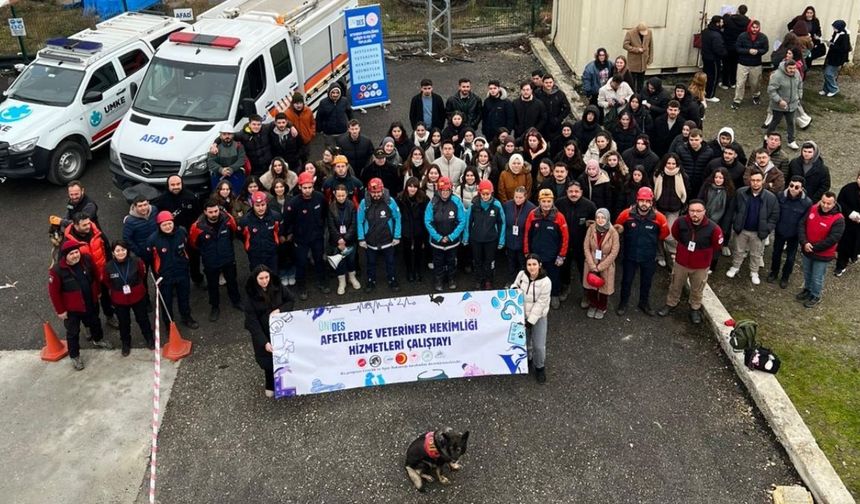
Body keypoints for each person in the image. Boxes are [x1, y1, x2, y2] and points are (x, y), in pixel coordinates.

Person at [48, 242, 113, 370]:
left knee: (95, 322)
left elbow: (95, 276)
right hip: (72, 309)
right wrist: (60, 311)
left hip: (90, 301)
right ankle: (75, 356)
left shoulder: (87, 259)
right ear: (65, 256)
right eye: (71, 254)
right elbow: (53, 293)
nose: (75, 255)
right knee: (73, 332)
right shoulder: (56, 271)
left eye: (76, 252)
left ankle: (98, 339)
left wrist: (98, 292)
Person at [613, 187, 669, 316]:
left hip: (649, 256)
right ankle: (623, 302)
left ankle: (644, 303)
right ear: (637, 200)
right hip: (629, 254)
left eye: (648, 201)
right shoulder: (626, 214)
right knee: (626, 280)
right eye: (641, 200)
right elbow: (617, 227)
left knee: (646, 281)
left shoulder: (660, 218)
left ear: (652, 202)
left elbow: (664, 234)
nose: (644, 204)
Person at [243, 265, 295, 398]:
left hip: (281, 331)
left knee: (285, 356)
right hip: (263, 333)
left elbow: (291, 300)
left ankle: (287, 381)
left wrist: (280, 310)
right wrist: (264, 342)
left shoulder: (278, 287)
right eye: (261, 278)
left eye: (266, 277)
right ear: (255, 279)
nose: (264, 281)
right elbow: (252, 322)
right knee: (267, 361)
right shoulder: (250, 295)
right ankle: (270, 383)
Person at [189, 201, 241, 322]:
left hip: (227, 258)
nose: (214, 214)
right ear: (205, 212)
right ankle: (215, 306)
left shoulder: (228, 220)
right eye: (211, 212)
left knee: (232, 281)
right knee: (212, 285)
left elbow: (233, 233)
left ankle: (236, 301)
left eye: (216, 211)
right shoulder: (197, 226)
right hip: (210, 261)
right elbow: (194, 243)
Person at [61, 213, 116, 328]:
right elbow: (64, 262)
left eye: (89, 223)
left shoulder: (97, 232)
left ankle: (110, 317)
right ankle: (90, 327)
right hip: (86, 279)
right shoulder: (68, 241)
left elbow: (106, 249)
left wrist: (110, 267)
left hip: (101, 273)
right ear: (75, 225)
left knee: (107, 298)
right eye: (84, 225)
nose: (88, 226)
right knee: (89, 305)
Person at [726, 169, 779, 285]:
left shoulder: (770, 197)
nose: (755, 183)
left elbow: (774, 216)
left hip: (759, 232)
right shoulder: (741, 192)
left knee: (756, 253)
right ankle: (735, 266)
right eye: (753, 180)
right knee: (738, 250)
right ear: (749, 181)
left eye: (758, 180)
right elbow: (733, 209)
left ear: (763, 181)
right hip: (742, 230)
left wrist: (767, 229)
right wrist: (736, 222)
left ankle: (754, 272)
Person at [147, 211, 199, 329]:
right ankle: (169, 323)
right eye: (164, 225)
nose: (168, 227)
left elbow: (187, 247)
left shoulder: (181, 232)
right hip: (165, 276)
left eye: (169, 223)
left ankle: (187, 317)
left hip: (182, 272)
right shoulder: (153, 240)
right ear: (159, 226)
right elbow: (150, 258)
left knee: (184, 297)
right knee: (166, 302)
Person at [283, 171, 329, 300]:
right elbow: (287, 221)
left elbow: (325, 214)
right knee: (301, 263)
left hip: (317, 237)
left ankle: (322, 282)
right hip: (300, 239)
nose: (307, 190)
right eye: (305, 188)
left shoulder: (320, 198)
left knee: (319, 261)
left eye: (310, 187)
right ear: (299, 187)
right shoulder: (294, 203)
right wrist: (288, 234)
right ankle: (301, 287)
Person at [103, 240, 153, 356]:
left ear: (127, 250)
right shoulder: (108, 267)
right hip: (119, 300)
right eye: (117, 250)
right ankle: (126, 343)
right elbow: (107, 282)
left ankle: (149, 338)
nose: (121, 253)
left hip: (138, 296)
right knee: (123, 322)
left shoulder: (137, 262)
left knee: (143, 319)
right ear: (113, 252)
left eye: (123, 250)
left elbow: (141, 275)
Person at [153, 175, 203, 286]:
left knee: (194, 258)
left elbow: (198, 217)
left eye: (178, 184)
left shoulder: (191, 197)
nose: (175, 187)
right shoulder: (161, 201)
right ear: (168, 185)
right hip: (171, 237)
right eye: (172, 185)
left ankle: (197, 278)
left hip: (190, 235)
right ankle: (176, 283)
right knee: (174, 261)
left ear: (182, 184)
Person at [523, 189, 569, 309]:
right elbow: (527, 234)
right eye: (544, 201)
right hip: (536, 255)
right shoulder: (532, 215)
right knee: (535, 276)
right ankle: (537, 297)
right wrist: (527, 251)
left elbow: (565, 237)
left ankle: (554, 295)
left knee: (554, 277)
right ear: (539, 201)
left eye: (549, 201)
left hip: (553, 255)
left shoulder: (559, 217)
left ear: (553, 201)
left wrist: (561, 255)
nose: (546, 204)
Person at [797, 192, 844, 307]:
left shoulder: (839, 219)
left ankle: (815, 295)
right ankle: (807, 289)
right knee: (807, 272)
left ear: (834, 204)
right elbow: (802, 225)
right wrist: (804, 242)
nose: (825, 205)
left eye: (829, 203)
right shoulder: (812, 209)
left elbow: (833, 239)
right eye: (823, 202)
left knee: (817, 276)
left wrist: (812, 247)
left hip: (822, 254)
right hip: (807, 249)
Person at [511, 254, 551, 384]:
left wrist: (530, 321)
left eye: (534, 264)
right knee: (524, 342)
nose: (531, 267)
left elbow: (541, 304)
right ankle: (527, 360)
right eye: (529, 264)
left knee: (539, 346)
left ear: (539, 265)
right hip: (521, 315)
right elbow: (514, 285)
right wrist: (514, 289)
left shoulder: (546, 282)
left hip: (538, 317)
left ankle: (540, 368)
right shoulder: (522, 275)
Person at [357, 177, 402, 293]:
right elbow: (360, 221)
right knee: (370, 262)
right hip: (370, 240)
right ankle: (371, 280)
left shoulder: (390, 201)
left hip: (388, 239)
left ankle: (392, 279)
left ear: (382, 190)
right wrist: (361, 238)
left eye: (378, 192)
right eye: (373, 192)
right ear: (369, 191)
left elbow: (397, 218)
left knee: (390, 261)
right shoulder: (364, 203)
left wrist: (397, 236)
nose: (376, 195)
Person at [769, 176, 813, 288]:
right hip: (780, 230)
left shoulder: (807, 203)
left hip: (794, 234)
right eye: (791, 185)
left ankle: (785, 277)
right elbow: (775, 212)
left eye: (797, 187)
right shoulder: (780, 196)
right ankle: (774, 272)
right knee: (776, 254)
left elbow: (805, 221)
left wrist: (799, 234)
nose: (793, 188)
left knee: (790, 258)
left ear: (801, 189)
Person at [425, 176, 466, 291]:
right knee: (438, 262)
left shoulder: (456, 201)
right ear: (439, 190)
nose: (445, 193)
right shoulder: (433, 202)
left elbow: (462, 220)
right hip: (437, 241)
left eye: (447, 190)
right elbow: (428, 221)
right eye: (443, 190)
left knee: (451, 261)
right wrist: (438, 237)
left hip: (452, 241)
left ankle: (452, 279)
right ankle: (439, 280)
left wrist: (451, 236)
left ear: (451, 190)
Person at [464, 179, 505, 289]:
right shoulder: (474, 204)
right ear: (479, 193)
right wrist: (466, 237)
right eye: (483, 194)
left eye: (488, 194)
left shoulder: (497, 205)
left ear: (492, 193)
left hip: (491, 239)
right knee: (477, 261)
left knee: (490, 261)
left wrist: (501, 240)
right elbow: (468, 221)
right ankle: (479, 279)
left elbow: (502, 223)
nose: (485, 196)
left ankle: (488, 280)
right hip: (476, 238)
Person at [582, 208, 620, 319]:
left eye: (603, 217)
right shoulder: (591, 228)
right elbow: (586, 246)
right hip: (591, 261)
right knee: (591, 286)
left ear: (607, 218)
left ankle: (602, 307)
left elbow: (614, 252)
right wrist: (592, 264)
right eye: (598, 217)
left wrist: (601, 266)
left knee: (604, 289)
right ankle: (593, 304)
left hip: (606, 264)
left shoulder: (613, 232)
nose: (600, 220)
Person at [326, 184, 361, 295]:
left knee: (351, 259)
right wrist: (339, 240)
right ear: (335, 195)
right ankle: (342, 282)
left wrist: (345, 239)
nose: (341, 198)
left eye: (343, 195)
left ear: (346, 195)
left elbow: (354, 224)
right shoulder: (331, 207)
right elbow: (331, 226)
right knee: (340, 261)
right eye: (338, 195)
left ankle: (352, 277)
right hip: (336, 241)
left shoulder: (351, 206)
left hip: (349, 239)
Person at [698, 167, 736, 268]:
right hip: (704, 219)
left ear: (725, 179)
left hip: (719, 222)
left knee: (715, 246)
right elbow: (699, 201)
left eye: (721, 178)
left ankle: (712, 265)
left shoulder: (730, 191)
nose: (718, 180)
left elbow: (729, 211)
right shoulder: (706, 187)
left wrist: (724, 228)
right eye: (716, 177)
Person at [238, 191, 282, 273]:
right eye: (257, 205)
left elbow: (279, 231)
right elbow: (241, 236)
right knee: (257, 277)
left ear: (266, 204)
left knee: (273, 276)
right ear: (252, 205)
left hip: (271, 253)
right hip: (255, 255)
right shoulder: (245, 221)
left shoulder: (276, 217)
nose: (261, 208)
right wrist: (249, 248)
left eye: (263, 205)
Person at [731, 19, 769, 109]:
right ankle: (737, 100)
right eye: (753, 27)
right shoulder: (742, 36)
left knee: (755, 83)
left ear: (759, 28)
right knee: (740, 83)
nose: (755, 29)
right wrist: (748, 51)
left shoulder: (763, 37)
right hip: (743, 63)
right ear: (750, 27)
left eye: (757, 27)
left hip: (756, 64)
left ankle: (756, 96)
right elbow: (737, 48)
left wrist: (758, 51)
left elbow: (765, 48)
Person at [398, 177, 430, 282]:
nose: (412, 189)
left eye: (415, 187)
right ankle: (409, 270)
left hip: (419, 228)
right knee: (406, 251)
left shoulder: (424, 198)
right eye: (410, 186)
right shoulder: (400, 198)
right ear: (406, 187)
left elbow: (427, 214)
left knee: (418, 251)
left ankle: (417, 270)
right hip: (405, 227)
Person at [766, 60, 802, 150]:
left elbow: (800, 85)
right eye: (790, 68)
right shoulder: (777, 75)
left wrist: (799, 96)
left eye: (794, 68)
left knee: (791, 122)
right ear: (785, 67)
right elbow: (771, 90)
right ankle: (768, 135)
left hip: (792, 105)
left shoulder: (797, 74)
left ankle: (791, 141)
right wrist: (779, 101)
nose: (792, 70)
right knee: (776, 121)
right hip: (779, 106)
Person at [503, 186, 536, 280]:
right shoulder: (507, 205)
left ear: (525, 197)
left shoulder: (531, 208)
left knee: (522, 263)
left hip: (523, 241)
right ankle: (511, 280)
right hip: (510, 239)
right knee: (511, 262)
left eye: (520, 197)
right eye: (516, 197)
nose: (517, 199)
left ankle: (523, 281)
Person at [672, 128, 715, 197]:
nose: (693, 142)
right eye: (691, 140)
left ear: (701, 139)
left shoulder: (709, 152)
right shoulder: (681, 149)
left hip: (700, 184)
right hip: (684, 182)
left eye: (696, 140)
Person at [835, 171, 860, 277]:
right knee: (844, 245)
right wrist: (850, 213)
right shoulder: (848, 189)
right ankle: (840, 266)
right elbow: (840, 202)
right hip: (848, 224)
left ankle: (855, 255)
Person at [208, 124, 247, 192]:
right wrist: (221, 169)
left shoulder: (238, 146)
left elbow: (242, 159)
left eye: (229, 134)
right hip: (219, 175)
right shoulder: (214, 148)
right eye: (224, 134)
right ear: (220, 135)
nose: (227, 136)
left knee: (237, 194)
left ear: (233, 135)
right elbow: (211, 162)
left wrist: (232, 168)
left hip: (235, 174)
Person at [122, 195, 159, 265]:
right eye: (140, 206)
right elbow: (126, 238)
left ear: (148, 203)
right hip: (143, 253)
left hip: (156, 249)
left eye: (145, 205)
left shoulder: (154, 210)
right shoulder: (130, 221)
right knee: (143, 274)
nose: (143, 208)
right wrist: (138, 251)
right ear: (135, 206)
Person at [535, 74, 571, 141]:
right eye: (546, 83)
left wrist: (559, 119)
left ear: (553, 82)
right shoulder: (538, 93)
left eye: (550, 82)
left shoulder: (560, 94)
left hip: (555, 125)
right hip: (541, 124)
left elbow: (567, 108)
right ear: (542, 83)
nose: (548, 84)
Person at [721, 5, 750, 90]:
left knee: (726, 64)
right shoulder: (748, 22)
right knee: (735, 65)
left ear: (737, 10)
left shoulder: (729, 19)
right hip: (739, 46)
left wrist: (728, 14)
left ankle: (725, 83)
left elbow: (724, 17)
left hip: (728, 45)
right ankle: (733, 82)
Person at [821, 20, 851, 97]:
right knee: (826, 73)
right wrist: (829, 42)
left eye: (835, 27)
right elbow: (833, 40)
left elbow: (844, 49)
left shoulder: (844, 36)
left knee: (829, 73)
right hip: (831, 56)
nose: (834, 29)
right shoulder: (836, 33)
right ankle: (826, 89)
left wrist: (831, 46)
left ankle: (834, 89)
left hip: (838, 58)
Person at [284, 93, 316, 163]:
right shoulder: (287, 113)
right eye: (296, 103)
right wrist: (291, 126)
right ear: (292, 104)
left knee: (306, 159)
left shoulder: (308, 111)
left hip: (306, 141)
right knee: (296, 161)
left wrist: (311, 133)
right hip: (294, 143)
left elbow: (312, 123)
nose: (298, 105)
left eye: (300, 103)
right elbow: (284, 123)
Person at [623, 22, 653, 92]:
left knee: (641, 80)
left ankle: (640, 94)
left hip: (643, 61)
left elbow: (651, 45)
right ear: (638, 30)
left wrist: (650, 58)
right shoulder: (630, 33)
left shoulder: (649, 32)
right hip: (633, 61)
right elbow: (625, 45)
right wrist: (636, 49)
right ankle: (632, 94)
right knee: (632, 80)